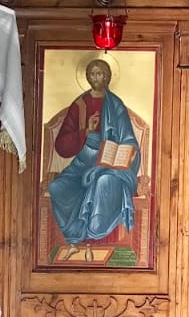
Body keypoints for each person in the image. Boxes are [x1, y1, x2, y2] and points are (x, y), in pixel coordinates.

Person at [47, 58, 141, 261]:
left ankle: (91, 241)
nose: (97, 77)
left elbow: (128, 139)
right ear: (87, 77)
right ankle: (73, 239)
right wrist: (86, 131)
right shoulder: (79, 105)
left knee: (101, 183)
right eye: (93, 74)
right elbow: (62, 145)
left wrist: (121, 155)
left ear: (107, 76)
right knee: (57, 187)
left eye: (101, 73)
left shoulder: (115, 105)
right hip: (81, 164)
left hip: (109, 166)